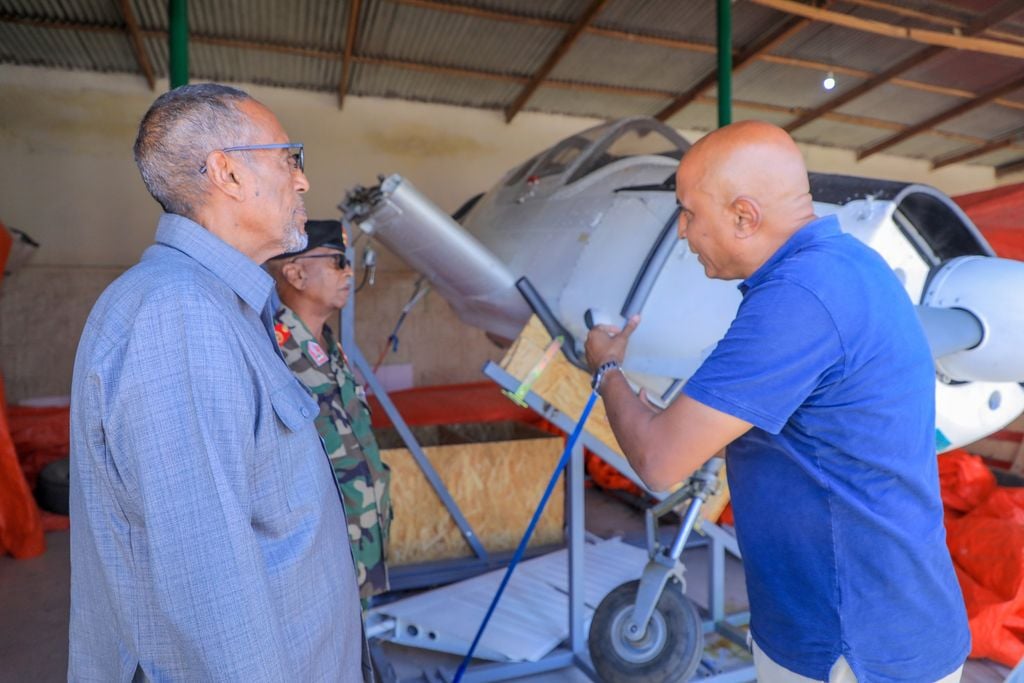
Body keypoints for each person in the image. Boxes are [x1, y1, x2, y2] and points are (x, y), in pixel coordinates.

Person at [585, 120, 969, 682]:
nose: (683, 233)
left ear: (744, 216)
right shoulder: (849, 265)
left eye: (689, 213)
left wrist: (607, 368)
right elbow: (815, 433)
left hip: (853, 645)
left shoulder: (799, 299)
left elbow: (658, 462)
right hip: (884, 621)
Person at [69, 83, 367, 682]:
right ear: (227, 173)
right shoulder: (179, 316)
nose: (302, 181)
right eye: (290, 158)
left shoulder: (219, 305)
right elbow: (210, 587)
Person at [266, 220, 392, 603]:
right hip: (316, 561)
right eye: (337, 262)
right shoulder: (274, 353)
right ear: (296, 273)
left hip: (360, 545)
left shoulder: (329, 348)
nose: (348, 272)